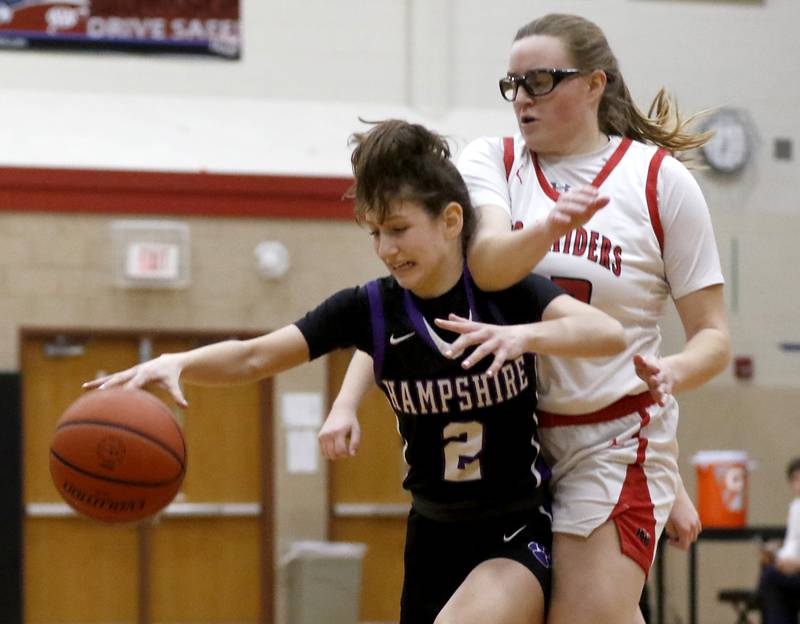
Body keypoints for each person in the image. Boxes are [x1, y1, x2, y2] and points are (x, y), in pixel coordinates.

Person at [83, 120, 626, 624]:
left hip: (514, 525)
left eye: (398, 229)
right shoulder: (368, 309)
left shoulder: (504, 291)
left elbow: (607, 335)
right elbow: (257, 356)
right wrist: (176, 361)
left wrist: (522, 336)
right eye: (374, 234)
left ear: (451, 221)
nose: (386, 249)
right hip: (432, 532)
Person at [325, 13, 726, 624]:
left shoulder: (657, 182)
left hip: (612, 438)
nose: (522, 99)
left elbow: (715, 337)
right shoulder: (495, 160)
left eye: (540, 80)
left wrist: (671, 373)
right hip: (516, 444)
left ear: (595, 85)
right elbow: (483, 268)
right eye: (512, 85)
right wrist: (550, 226)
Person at [757, 457, 800, 624]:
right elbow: (793, 544)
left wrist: (795, 564)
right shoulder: (796, 507)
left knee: (770, 579)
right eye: (795, 480)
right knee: (770, 573)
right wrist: (778, 555)